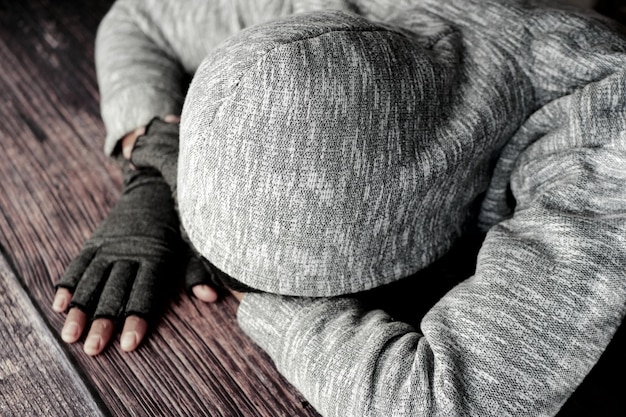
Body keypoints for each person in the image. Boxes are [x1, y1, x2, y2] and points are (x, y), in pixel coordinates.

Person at [52, 0, 626, 415]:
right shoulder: (312, 27)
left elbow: (448, 402)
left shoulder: (603, 135)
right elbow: (138, 15)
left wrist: (263, 298)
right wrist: (156, 165)